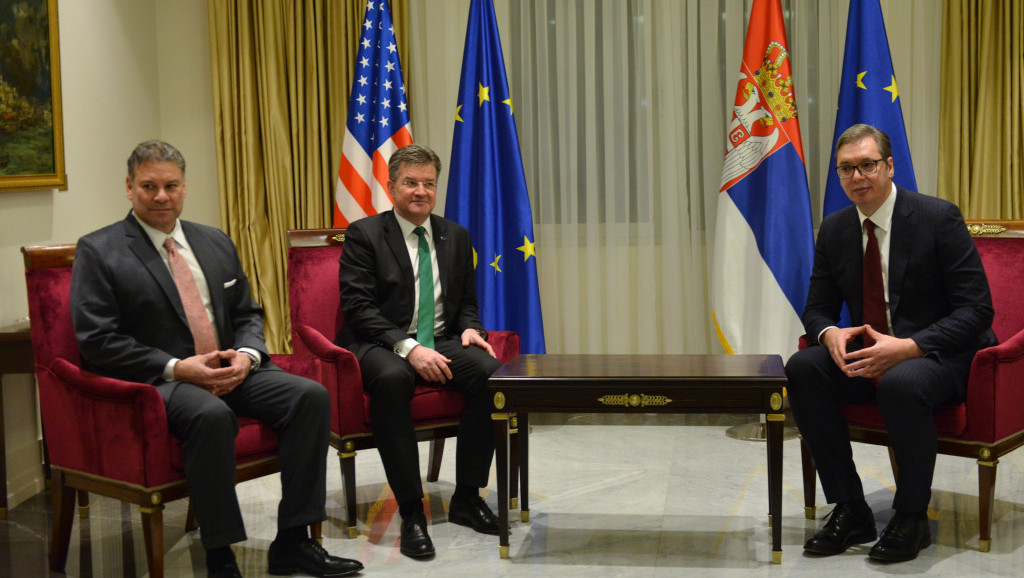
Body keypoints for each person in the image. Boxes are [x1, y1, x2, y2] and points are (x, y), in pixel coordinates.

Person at [70, 141, 363, 578]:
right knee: (211, 416)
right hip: (162, 381)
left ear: (184, 188)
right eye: (149, 186)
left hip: (230, 369)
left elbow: (247, 313)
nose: (161, 196)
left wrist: (247, 355)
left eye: (171, 186)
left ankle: (294, 542)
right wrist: (177, 367)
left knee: (309, 397)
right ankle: (221, 553)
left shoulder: (213, 241)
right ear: (129, 188)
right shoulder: (99, 250)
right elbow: (97, 340)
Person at [786, 124, 996, 563]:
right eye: (847, 169)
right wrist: (829, 333)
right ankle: (850, 508)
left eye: (867, 165)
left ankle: (911, 517)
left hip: (940, 355)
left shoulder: (938, 218)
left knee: (903, 381)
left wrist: (910, 347)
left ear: (889, 166)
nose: (857, 177)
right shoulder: (836, 229)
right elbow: (817, 308)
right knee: (803, 368)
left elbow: (977, 310)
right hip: (874, 352)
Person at [336, 144, 502, 559]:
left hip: (441, 339)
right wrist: (408, 348)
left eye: (429, 183)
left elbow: (466, 302)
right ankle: (411, 511)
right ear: (391, 186)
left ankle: (467, 497)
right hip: (379, 341)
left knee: (490, 373)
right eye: (410, 182)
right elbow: (359, 309)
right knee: (393, 379)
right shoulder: (364, 234)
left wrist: (471, 330)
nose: (421, 191)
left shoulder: (455, 235)